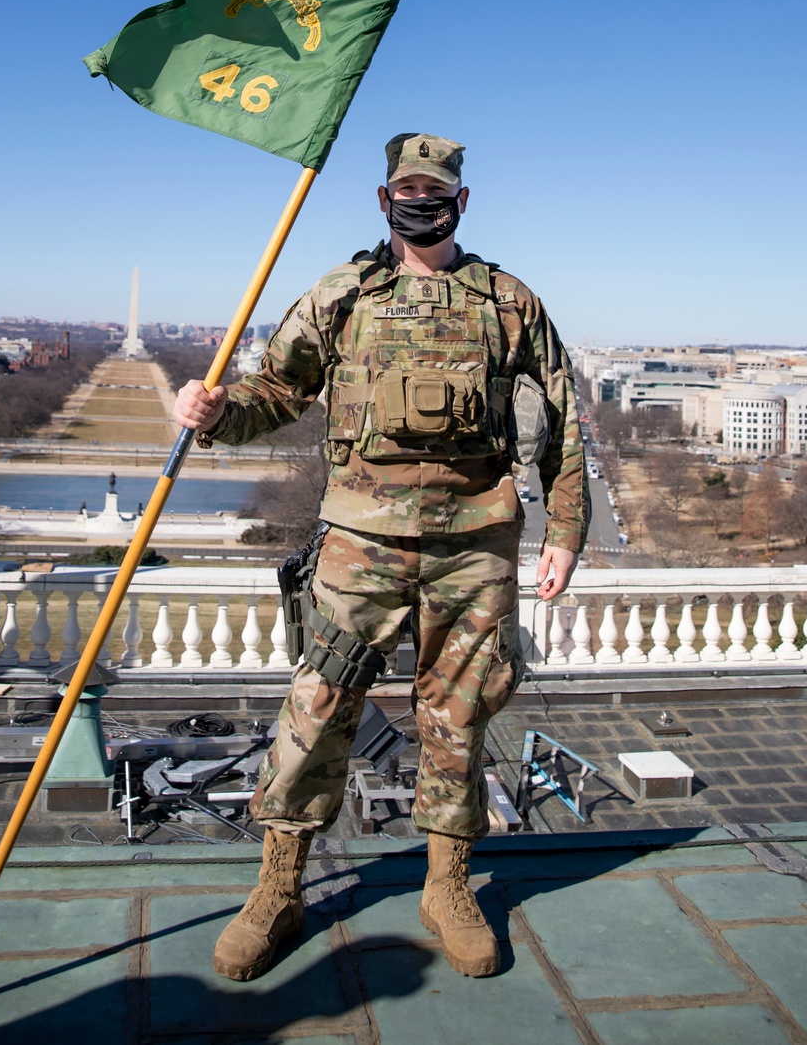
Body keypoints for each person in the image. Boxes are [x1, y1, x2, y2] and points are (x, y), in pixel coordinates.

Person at [174, 133, 589, 982]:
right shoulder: (341, 294)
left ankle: (447, 885)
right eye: (407, 188)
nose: (422, 202)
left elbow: (564, 422)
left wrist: (567, 533)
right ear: (382, 198)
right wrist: (216, 411)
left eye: (437, 191)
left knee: (459, 716)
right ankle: (279, 888)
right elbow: (276, 391)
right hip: (359, 543)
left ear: (463, 203)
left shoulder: (510, 301)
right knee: (319, 707)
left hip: (475, 542)